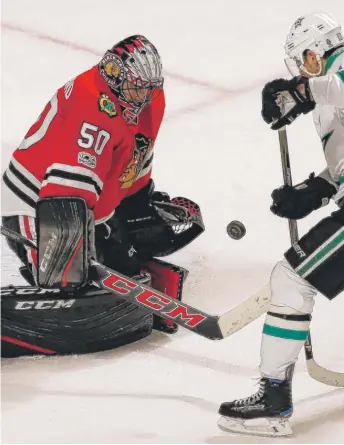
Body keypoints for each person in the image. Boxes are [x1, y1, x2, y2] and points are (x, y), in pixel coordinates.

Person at [218, 12, 344, 437]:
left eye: (304, 63)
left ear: (316, 51)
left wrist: (301, 91)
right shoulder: (331, 103)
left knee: (290, 279)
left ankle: (272, 399)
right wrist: (312, 191)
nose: (303, 72)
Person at [1, 35, 204, 357]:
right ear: (114, 76)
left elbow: (136, 153)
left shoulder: (148, 97)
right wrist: (69, 257)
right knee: (64, 280)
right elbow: (65, 195)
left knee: (121, 261)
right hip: (35, 202)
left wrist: (138, 205)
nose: (144, 96)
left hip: (93, 203)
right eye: (137, 88)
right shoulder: (91, 107)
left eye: (150, 88)